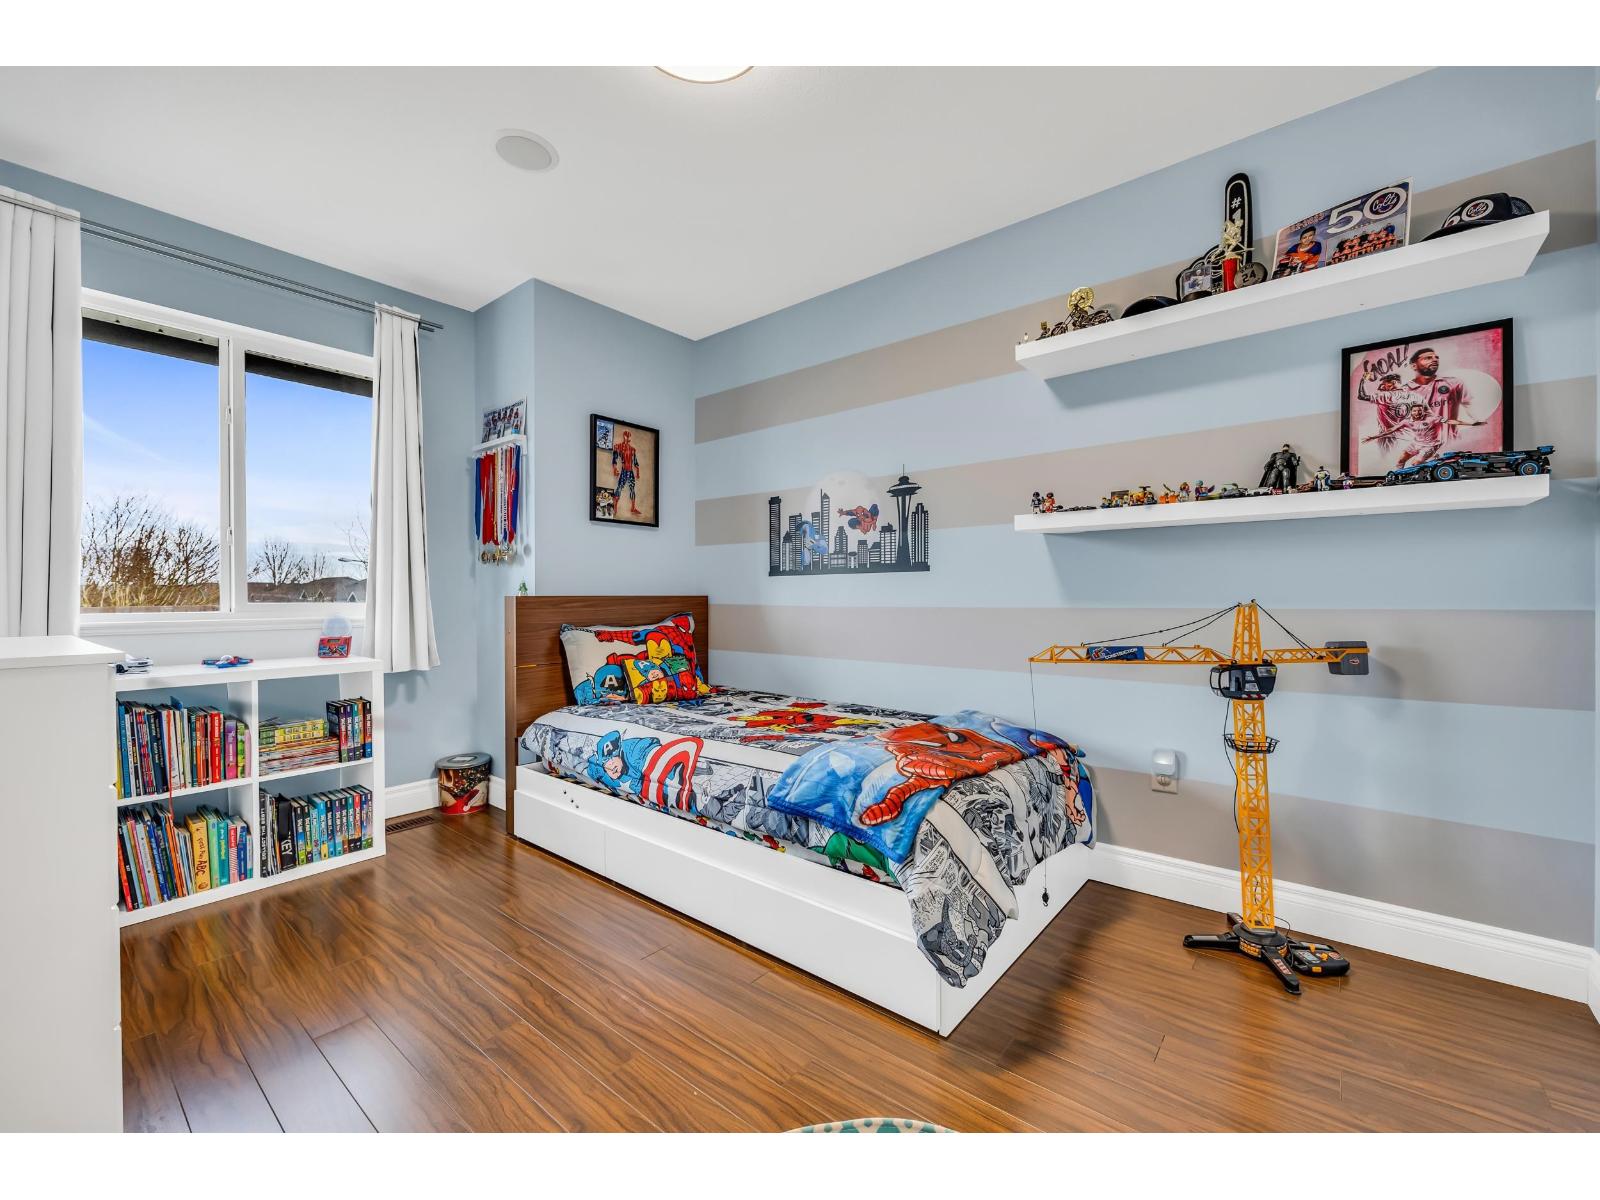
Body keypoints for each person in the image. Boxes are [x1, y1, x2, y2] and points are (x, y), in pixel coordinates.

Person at [611, 428, 643, 516]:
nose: (627, 437)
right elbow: (614, 459)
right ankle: (615, 507)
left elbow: (635, 462)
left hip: (630, 472)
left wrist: (638, 472)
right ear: (624, 436)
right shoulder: (618, 446)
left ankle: (633, 507)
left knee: (632, 489)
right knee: (619, 488)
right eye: (626, 435)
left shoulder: (632, 449)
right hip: (624, 471)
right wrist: (615, 469)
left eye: (628, 436)